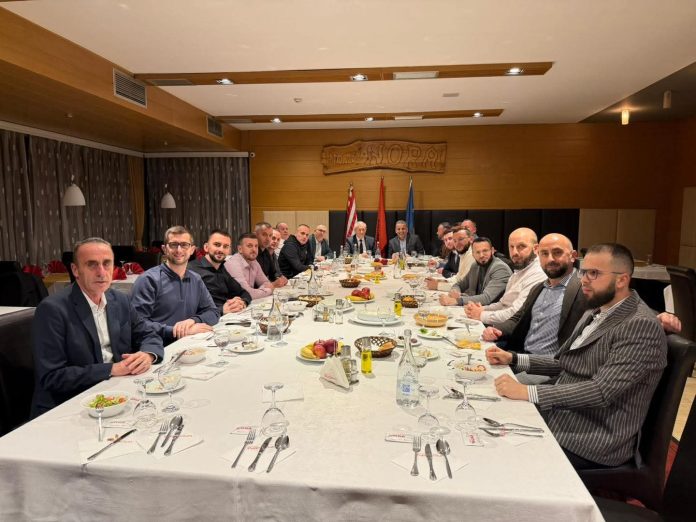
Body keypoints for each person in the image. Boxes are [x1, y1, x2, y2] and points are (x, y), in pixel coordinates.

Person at [487, 243, 668, 469]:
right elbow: (564, 363)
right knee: (486, 418)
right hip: (560, 413)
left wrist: (528, 392)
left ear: (622, 280)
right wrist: (513, 359)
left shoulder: (640, 325)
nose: (584, 280)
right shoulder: (596, 310)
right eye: (583, 272)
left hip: (591, 436)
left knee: (499, 459)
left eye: (594, 273)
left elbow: (601, 391)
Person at [31, 238, 163, 417]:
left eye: (107, 263)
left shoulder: (120, 300)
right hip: (69, 405)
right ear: (75, 270)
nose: (101, 272)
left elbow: (149, 334)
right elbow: (52, 376)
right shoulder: (52, 309)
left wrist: (148, 354)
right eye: (92, 265)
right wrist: (111, 369)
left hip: (116, 393)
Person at [131, 226, 219, 345]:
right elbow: (137, 324)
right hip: (158, 347)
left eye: (184, 245)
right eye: (173, 245)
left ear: (192, 250)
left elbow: (213, 312)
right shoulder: (148, 279)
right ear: (164, 249)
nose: (179, 250)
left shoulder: (196, 279)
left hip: (190, 344)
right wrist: (175, 331)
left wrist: (193, 320)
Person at [464, 228, 546, 325]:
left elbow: (516, 314)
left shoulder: (538, 273)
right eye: (511, 247)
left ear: (536, 249)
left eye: (521, 246)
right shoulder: (519, 270)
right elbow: (503, 304)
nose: (514, 252)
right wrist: (482, 309)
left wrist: (481, 315)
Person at [188, 229, 251, 314]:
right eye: (217, 245)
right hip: (209, 319)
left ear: (229, 250)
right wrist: (222, 310)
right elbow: (189, 308)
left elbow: (244, 293)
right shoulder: (192, 270)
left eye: (226, 246)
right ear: (206, 247)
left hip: (229, 317)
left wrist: (242, 303)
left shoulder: (222, 268)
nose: (221, 250)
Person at [439, 237, 511, 306]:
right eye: (477, 252)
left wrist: (456, 301)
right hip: (476, 308)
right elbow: (459, 284)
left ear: (492, 251)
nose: (481, 255)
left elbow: (486, 298)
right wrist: (455, 291)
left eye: (485, 251)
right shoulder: (475, 266)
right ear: (473, 254)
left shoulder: (500, 268)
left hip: (494, 311)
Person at [225, 233, 275, 300]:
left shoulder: (253, 261)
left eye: (256, 246)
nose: (254, 250)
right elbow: (247, 293)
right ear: (240, 249)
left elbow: (265, 282)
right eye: (250, 246)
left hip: (247, 302)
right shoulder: (233, 264)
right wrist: (268, 290)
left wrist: (259, 291)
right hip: (232, 304)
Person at [255, 222, 287, 287]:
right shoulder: (253, 253)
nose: (268, 239)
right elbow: (255, 283)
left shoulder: (266, 252)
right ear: (256, 235)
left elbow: (273, 274)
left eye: (270, 235)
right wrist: (273, 283)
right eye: (264, 235)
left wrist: (280, 279)